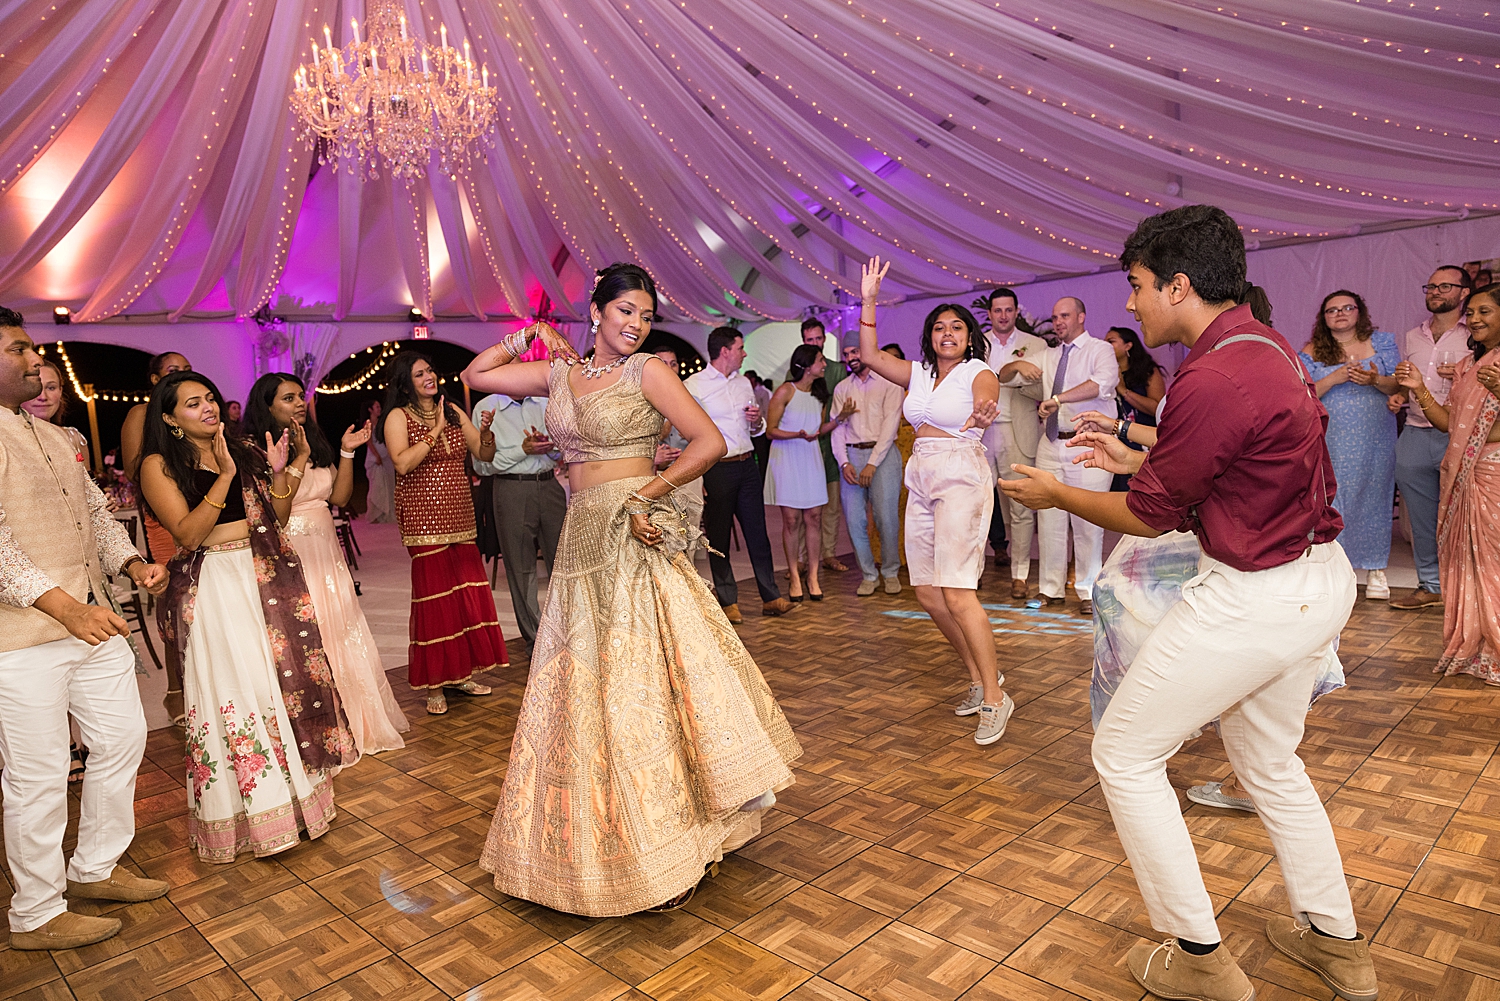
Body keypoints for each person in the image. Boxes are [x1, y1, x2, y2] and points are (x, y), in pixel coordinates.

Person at [1003, 204, 1378, 1001]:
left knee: (1125, 754)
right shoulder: (1262, 342)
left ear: (1178, 284)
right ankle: (1336, 943)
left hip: (1256, 597)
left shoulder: (1212, 373)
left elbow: (1148, 513)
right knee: (1271, 762)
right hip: (1317, 577)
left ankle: (1200, 958)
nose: (1130, 306)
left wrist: (1057, 493)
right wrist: (1132, 447)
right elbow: (1215, 460)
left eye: (1136, 287)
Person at [463, 262, 801, 916]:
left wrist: (645, 497)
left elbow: (707, 441)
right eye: (625, 311)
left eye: (645, 315)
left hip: (631, 521)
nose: (636, 324)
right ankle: (601, 836)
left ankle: (672, 838)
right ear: (596, 311)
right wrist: (528, 332)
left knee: (639, 674)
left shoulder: (648, 370)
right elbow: (478, 376)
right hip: (581, 532)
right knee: (582, 681)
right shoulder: (558, 373)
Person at [0, 310, 172, 951]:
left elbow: (95, 515)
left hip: (89, 625)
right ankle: (36, 912)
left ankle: (95, 868)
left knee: (123, 739)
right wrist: (68, 609)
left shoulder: (52, 437)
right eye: (19, 349)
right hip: (20, 639)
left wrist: (130, 561)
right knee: (38, 776)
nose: (35, 361)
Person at [141, 371, 355, 863]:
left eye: (211, 397)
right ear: (170, 418)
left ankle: (298, 807)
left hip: (261, 575)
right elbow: (188, 535)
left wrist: (285, 469)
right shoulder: (159, 464)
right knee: (234, 688)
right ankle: (250, 815)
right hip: (215, 583)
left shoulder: (238, 449)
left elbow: (275, 517)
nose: (208, 407)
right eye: (192, 404)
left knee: (275, 684)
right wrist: (222, 476)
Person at [858, 260, 1013, 746]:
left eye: (957, 327)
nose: (948, 333)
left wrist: (985, 410)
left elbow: (988, 396)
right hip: (921, 472)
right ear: (930, 337)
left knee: (958, 592)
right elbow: (867, 354)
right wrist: (868, 301)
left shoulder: (977, 371)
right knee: (926, 592)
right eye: (940, 327)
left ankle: (995, 697)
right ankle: (978, 677)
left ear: (970, 336)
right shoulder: (917, 374)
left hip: (961, 472)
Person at [243, 374, 409, 754]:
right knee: (308, 634)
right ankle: (317, 728)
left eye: (300, 395)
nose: (300, 402)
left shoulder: (312, 440)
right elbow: (272, 514)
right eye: (288, 398)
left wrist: (347, 451)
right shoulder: (256, 450)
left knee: (341, 626)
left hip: (326, 551)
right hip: (290, 551)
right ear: (266, 407)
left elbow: (340, 496)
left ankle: (358, 716)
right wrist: (292, 462)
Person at [380, 352, 507, 714]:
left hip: (460, 516)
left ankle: (461, 673)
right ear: (406, 383)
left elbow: (483, 455)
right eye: (420, 374)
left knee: (464, 599)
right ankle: (435, 684)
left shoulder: (452, 410)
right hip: (424, 521)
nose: (429, 377)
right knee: (436, 602)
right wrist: (434, 431)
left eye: (431, 370)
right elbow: (402, 463)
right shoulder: (397, 417)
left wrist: (486, 435)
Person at [1395, 286, 1500, 686]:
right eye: (1470, 312)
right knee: (1472, 563)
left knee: (1493, 564)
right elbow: (1449, 422)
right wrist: (1420, 386)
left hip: (1493, 473)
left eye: (1484, 311)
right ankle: (1476, 645)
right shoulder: (1473, 364)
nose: (1474, 319)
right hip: (1468, 475)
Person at [1011, 297, 1118, 616]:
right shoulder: (1047, 355)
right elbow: (1008, 378)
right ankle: (1050, 589)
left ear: (1081, 317)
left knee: (1088, 520)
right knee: (1049, 518)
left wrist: (1057, 399)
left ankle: (1088, 590)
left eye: (1065, 316)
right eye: (1055, 317)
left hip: (1088, 444)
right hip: (1051, 443)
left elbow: (1101, 384)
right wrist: (1016, 364)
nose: (1058, 322)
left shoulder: (1100, 350)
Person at [685, 327, 795, 620]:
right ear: (725, 352)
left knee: (758, 533)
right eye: (741, 347)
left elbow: (755, 430)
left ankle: (770, 596)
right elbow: (689, 433)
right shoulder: (694, 386)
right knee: (718, 538)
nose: (744, 353)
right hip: (717, 468)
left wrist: (757, 421)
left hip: (747, 465)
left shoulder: (745, 384)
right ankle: (728, 600)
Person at [1299, 291, 1400, 601]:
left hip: (1376, 436)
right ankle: (1336, 571)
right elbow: (1303, 392)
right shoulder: (1311, 350)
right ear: (1323, 318)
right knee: (1334, 498)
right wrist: (1338, 376)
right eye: (1332, 310)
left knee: (1375, 498)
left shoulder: (1382, 343)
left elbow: (1399, 384)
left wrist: (1375, 382)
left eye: (1347, 308)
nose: (1340, 313)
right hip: (1332, 438)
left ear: (1360, 311)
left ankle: (1375, 569)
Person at [1389, 265, 1471, 609]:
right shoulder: (1412, 335)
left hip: (1460, 434)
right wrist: (1398, 393)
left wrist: (1464, 377)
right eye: (1430, 287)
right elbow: (1408, 380)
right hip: (1415, 432)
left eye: (1444, 287)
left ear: (1463, 292)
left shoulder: (1476, 334)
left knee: (1468, 514)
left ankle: (1471, 588)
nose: (1434, 292)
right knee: (1422, 518)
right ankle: (1430, 585)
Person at [119, 350, 191, 722]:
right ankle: (175, 691)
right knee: (176, 600)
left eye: (186, 370)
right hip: (162, 513)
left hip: (198, 507)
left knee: (207, 599)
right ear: (153, 379)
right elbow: (134, 470)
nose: (180, 375)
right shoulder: (139, 415)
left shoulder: (192, 410)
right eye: (172, 370)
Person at [470, 384, 564, 646]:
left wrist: (550, 447)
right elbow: (482, 465)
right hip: (512, 488)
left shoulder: (545, 403)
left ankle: (567, 633)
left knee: (564, 563)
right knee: (521, 568)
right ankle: (537, 641)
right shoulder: (487, 408)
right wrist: (522, 449)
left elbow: (562, 450)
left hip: (550, 485)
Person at [765, 344, 850, 601]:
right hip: (787, 458)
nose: (825, 365)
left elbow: (819, 429)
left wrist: (838, 419)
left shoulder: (820, 394)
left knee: (814, 516)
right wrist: (797, 435)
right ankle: (794, 575)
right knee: (791, 520)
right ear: (806, 365)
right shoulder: (785, 391)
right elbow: (770, 430)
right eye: (820, 360)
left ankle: (813, 576)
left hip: (810, 458)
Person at [982, 289, 1048, 598]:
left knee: (1022, 507)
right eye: (998, 310)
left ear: (1016, 311)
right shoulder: (975, 343)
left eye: (1009, 310)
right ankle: (972, 571)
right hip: (980, 433)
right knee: (976, 505)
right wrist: (1011, 372)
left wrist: (1017, 375)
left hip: (1018, 430)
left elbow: (1041, 389)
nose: (1004, 315)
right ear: (990, 313)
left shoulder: (1036, 345)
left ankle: (1020, 575)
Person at [831, 333, 906, 596]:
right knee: (854, 521)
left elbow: (890, 426)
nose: (850, 357)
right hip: (852, 457)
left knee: (887, 520)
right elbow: (838, 429)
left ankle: (890, 571)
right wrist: (843, 463)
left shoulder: (889, 383)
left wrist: (872, 463)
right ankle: (868, 574)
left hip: (883, 457)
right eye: (846, 353)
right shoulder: (842, 388)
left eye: (855, 352)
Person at [793, 318, 847, 573]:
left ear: (825, 339)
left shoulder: (836, 369)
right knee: (804, 505)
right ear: (804, 340)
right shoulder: (795, 369)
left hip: (830, 443)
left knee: (831, 506)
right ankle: (803, 558)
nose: (814, 343)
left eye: (818, 339)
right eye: (809, 339)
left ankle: (829, 554)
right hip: (803, 446)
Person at [653, 347, 705, 561]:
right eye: (662, 363)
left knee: (688, 536)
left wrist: (693, 435)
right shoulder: (642, 401)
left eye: (673, 363)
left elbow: (706, 440)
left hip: (688, 476)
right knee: (661, 539)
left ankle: (688, 589)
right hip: (655, 478)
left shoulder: (691, 400)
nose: (669, 368)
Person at [1103, 325, 1164, 492]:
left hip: (1142, 441)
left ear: (1128, 346)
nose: (1105, 345)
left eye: (1111, 341)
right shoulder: (1102, 374)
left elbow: (1157, 409)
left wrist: (1123, 390)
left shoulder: (1147, 371)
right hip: (1113, 444)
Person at [360, 399, 396, 523]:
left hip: (386, 456)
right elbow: (368, 441)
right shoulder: (368, 423)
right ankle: (374, 514)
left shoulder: (381, 422)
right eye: (377, 406)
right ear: (370, 409)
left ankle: (386, 514)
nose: (379, 408)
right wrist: (377, 456)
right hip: (375, 458)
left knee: (389, 485)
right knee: (377, 487)